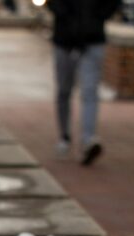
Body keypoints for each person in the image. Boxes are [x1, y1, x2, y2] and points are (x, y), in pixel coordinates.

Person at [48, 0, 121, 165]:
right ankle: (64, 136)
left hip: (93, 39)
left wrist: (97, 18)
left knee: (89, 91)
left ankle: (88, 139)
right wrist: (65, 15)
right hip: (64, 39)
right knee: (64, 90)